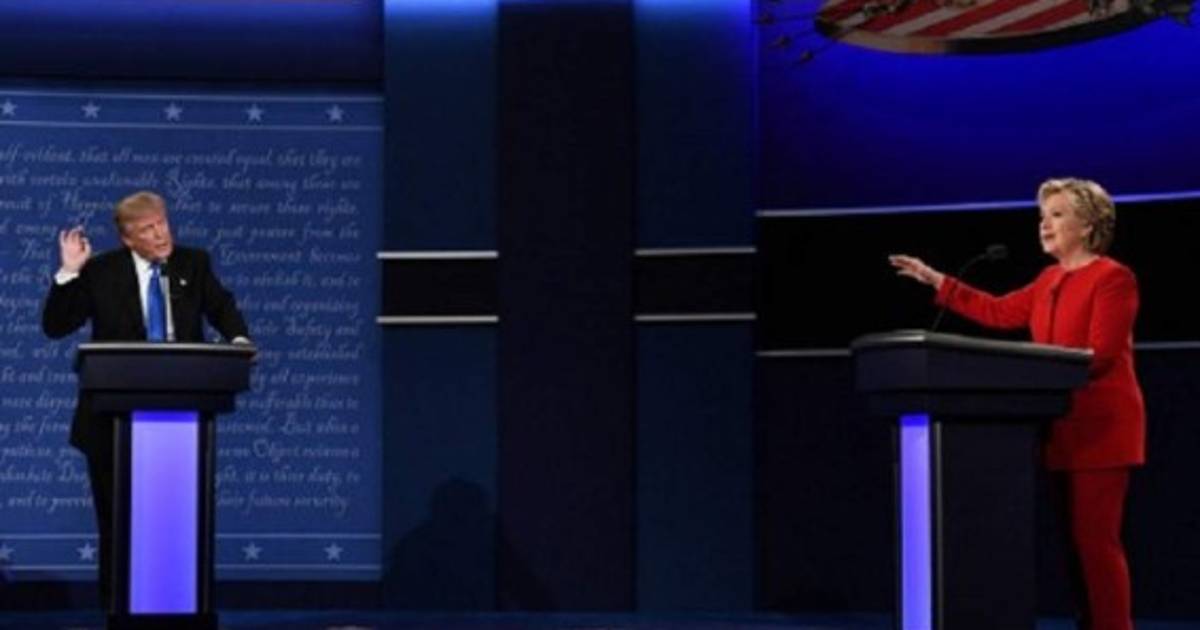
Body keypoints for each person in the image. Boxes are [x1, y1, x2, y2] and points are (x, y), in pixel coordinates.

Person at [889, 178, 1142, 630]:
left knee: (1096, 544)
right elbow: (998, 311)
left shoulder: (1113, 278)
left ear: (1088, 225)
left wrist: (1039, 370)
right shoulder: (1047, 280)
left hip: (1101, 430)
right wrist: (937, 280)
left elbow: (1101, 354)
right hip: (1058, 426)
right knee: (1073, 547)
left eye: (1057, 215)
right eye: (1042, 216)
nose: (1045, 224)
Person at [41, 190, 250, 608]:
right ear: (128, 238)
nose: (161, 235)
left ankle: (182, 608)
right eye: (148, 229)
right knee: (117, 520)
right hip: (110, 422)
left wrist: (239, 338)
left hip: (183, 415)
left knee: (179, 517)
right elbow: (56, 325)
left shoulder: (193, 263)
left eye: (163, 223)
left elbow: (221, 305)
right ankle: (118, 609)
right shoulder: (101, 272)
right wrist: (68, 273)